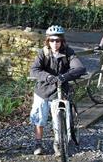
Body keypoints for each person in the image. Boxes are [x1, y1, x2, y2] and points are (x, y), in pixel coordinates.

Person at [30, 25, 86, 156]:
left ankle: (58, 143)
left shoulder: (68, 52)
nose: (55, 43)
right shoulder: (43, 53)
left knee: (59, 118)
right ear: (48, 41)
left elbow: (80, 68)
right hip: (43, 90)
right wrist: (48, 77)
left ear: (62, 41)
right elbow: (34, 70)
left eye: (58, 40)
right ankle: (38, 143)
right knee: (40, 118)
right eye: (52, 40)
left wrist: (64, 76)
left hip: (61, 90)